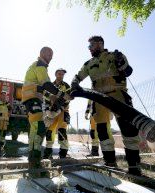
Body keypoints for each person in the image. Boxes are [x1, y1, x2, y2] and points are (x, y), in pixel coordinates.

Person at [71, 36, 141, 175]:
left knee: (128, 129)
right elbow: (77, 76)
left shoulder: (115, 56)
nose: (89, 49)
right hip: (99, 99)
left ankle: (134, 167)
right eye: (89, 46)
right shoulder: (88, 64)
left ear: (100, 44)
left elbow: (128, 72)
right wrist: (74, 83)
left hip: (118, 95)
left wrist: (121, 62)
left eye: (91, 45)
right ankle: (110, 162)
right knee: (102, 130)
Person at [22, 47, 72, 172]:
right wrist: (61, 95)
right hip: (31, 98)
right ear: (41, 54)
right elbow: (46, 85)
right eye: (48, 53)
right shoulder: (40, 65)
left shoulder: (40, 67)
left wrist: (52, 96)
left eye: (52, 54)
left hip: (34, 98)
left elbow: (42, 89)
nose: (50, 56)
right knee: (39, 126)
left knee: (36, 128)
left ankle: (34, 160)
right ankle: (34, 160)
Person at [43, 68, 71, 159]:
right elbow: (46, 99)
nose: (61, 75)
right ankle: (48, 152)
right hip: (51, 112)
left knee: (61, 131)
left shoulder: (67, 86)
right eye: (59, 74)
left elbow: (68, 99)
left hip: (62, 112)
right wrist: (47, 111)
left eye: (62, 74)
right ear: (55, 74)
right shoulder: (51, 86)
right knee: (49, 131)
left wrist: (60, 109)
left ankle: (63, 153)